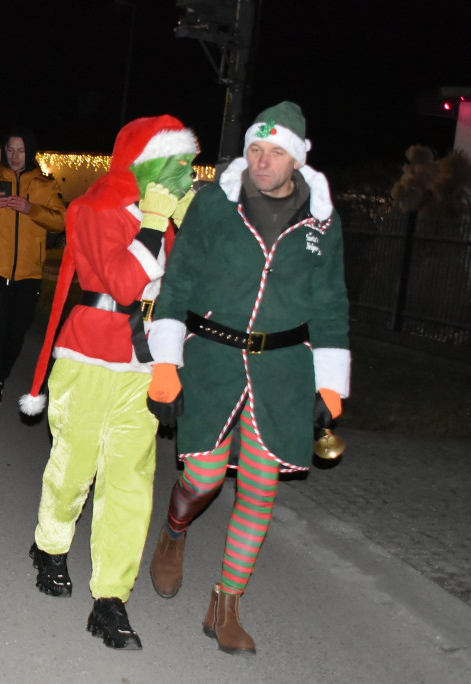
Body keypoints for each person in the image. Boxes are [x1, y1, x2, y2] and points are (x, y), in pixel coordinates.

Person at [146, 102, 351, 656]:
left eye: (275, 152)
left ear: (298, 159)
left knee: (260, 491)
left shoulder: (322, 221)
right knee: (204, 478)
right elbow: (178, 283)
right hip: (212, 357)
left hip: (284, 369)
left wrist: (331, 385)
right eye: (255, 150)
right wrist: (166, 363)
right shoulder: (215, 204)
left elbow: (331, 304)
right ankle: (175, 529)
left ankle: (226, 603)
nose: (262, 162)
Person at [20, 116, 199, 649]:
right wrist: (152, 224)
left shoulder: (169, 214)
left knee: (130, 483)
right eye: (177, 162)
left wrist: (190, 231)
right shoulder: (94, 206)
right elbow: (120, 282)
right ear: (146, 160)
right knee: (74, 465)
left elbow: (184, 292)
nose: (185, 173)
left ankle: (110, 598)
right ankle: (50, 547)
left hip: (144, 363)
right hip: (90, 355)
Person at [0, 127, 66, 420]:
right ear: (4, 151)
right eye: (10, 149)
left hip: (29, 276)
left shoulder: (45, 185)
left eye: (20, 150)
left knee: (14, 338)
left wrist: (32, 208)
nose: (15, 156)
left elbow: (62, 221)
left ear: (29, 151)